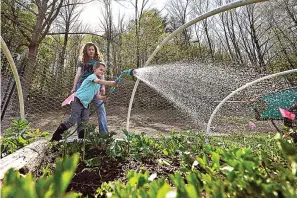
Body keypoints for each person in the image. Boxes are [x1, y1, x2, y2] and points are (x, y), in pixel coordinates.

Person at [51, 62, 117, 141]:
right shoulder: (92, 77)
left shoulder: (97, 85)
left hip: (86, 104)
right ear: (95, 69)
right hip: (78, 100)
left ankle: (83, 139)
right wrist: (110, 83)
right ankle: (56, 135)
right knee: (73, 120)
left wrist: (104, 98)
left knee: (85, 122)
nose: (102, 72)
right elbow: (99, 81)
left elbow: (97, 96)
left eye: (104, 71)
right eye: (101, 70)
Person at [71, 42, 109, 135]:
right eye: (89, 49)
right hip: (83, 87)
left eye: (92, 49)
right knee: (82, 112)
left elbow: (102, 73)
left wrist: (103, 86)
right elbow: (78, 73)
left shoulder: (99, 60)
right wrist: (74, 87)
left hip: (95, 87)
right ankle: (82, 136)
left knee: (101, 109)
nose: (91, 51)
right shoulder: (82, 60)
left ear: (95, 50)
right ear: (86, 51)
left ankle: (104, 134)